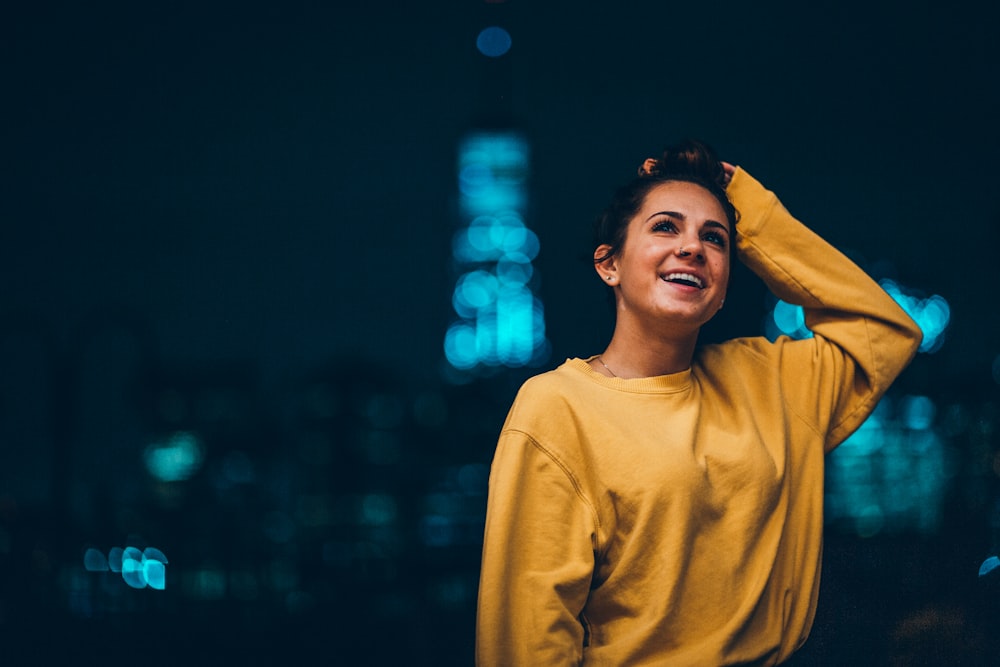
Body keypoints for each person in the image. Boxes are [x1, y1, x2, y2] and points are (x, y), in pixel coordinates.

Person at [475, 139, 923, 666]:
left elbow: (883, 332)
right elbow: (526, 640)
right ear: (608, 264)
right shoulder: (557, 406)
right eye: (665, 227)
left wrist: (747, 209)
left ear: (728, 279)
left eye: (715, 239)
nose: (692, 248)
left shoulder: (770, 380)